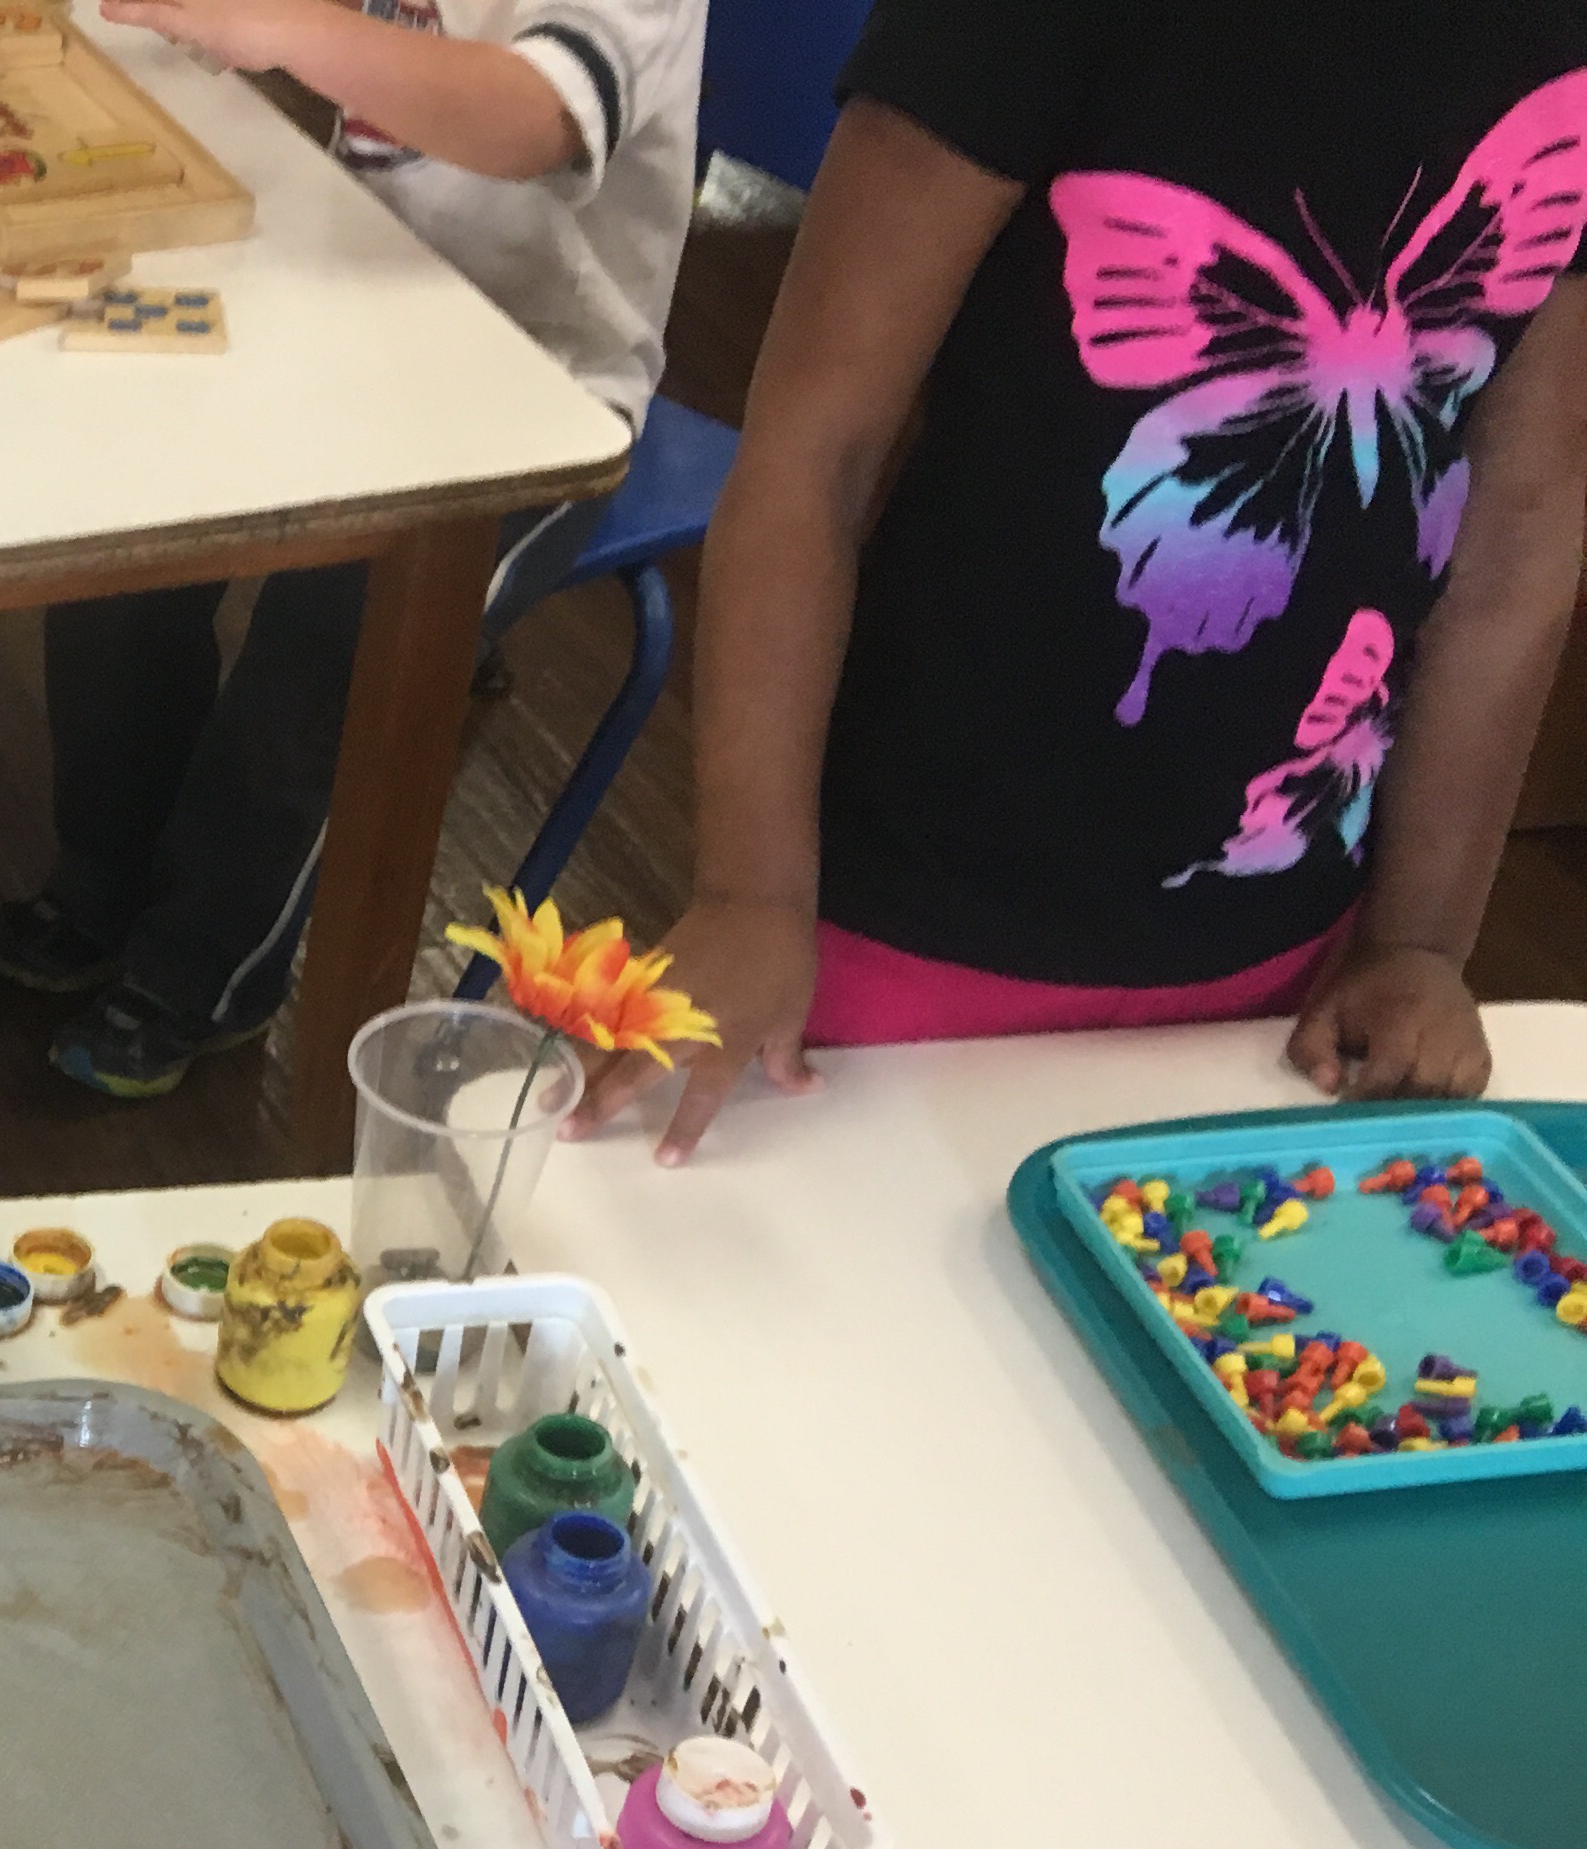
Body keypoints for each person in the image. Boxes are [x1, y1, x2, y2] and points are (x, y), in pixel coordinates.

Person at [576, 0, 1587, 1162]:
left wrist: (1419, 945)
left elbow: (1514, 547)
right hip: (913, 925)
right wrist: (751, 890)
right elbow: (817, 449)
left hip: (1286, 978)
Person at [5, 0, 706, 1097]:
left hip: (537, 387)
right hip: (343, 296)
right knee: (119, 537)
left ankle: (205, 970)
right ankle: (107, 879)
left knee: (336, 635)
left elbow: (532, 117)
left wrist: (285, 27)